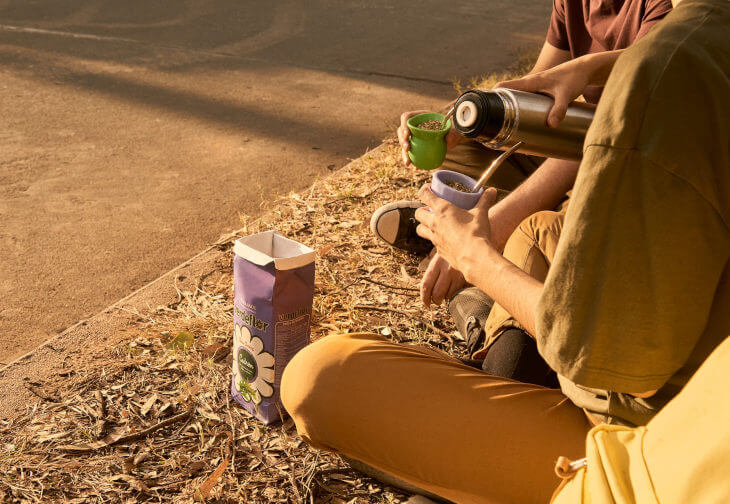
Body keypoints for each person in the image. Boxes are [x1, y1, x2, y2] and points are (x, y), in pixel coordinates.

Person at [282, 0, 730, 501]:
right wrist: (597, 67)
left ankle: (482, 399)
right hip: (694, 393)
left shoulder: (675, 66)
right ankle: (498, 350)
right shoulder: (696, 48)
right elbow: (538, 90)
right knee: (539, 231)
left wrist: (476, 254)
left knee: (315, 377)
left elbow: (599, 356)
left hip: (653, 455)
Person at [371, 0, 673, 385]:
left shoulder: (665, 10)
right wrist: (456, 119)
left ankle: (473, 285)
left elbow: (604, 143)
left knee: (540, 232)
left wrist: (490, 235)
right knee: (461, 151)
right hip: (571, 142)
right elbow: (533, 92)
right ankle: (451, 233)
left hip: (613, 162)